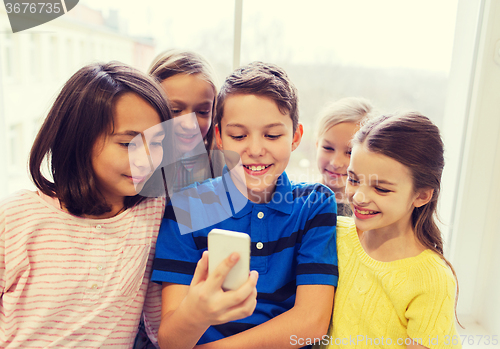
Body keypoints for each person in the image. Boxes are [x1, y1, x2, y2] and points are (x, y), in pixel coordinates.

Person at [151, 62, 338, 348]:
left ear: (296, 137)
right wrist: (197, 313)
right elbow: (171, 340)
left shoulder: (314, 204)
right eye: (238, 136)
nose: (255, 149)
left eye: (272, 135)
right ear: (219, 137)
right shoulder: (187, 207)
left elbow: (311, 323)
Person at [0, 62, 171, 348]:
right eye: (128, 144)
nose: (147, 160)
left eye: (156, 143)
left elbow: (237, 188)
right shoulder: (15, 217)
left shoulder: (156, 212)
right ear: (79, 140)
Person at [315, 112, 461, 349]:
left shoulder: (431, 279)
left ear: (422, 195)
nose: (359, 197)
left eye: (381, 189)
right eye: (353, 180)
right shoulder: (332, 234)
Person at [148, 49, 224, 194]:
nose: (190, 125)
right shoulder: (135, 163)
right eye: (175, 110)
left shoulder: (222, 163)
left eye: (202, 112)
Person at [315, 97, 374, 217]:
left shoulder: (369, 211)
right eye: (328, 148)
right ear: (317, 145)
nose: (336, 163)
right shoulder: (299, 199)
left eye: (350, 153)